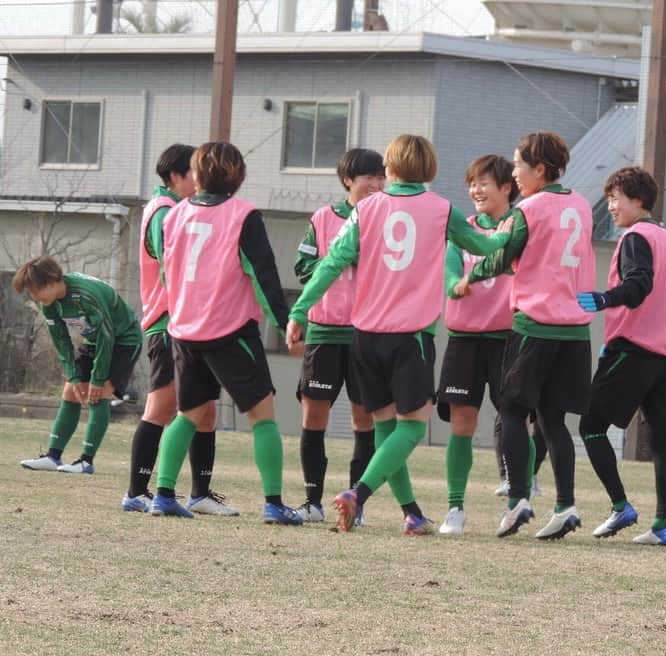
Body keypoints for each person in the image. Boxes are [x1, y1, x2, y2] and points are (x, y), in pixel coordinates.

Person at [286, 134, 512, 535]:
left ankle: (411, 513)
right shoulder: (441, 209)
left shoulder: (366, 209)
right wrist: (509, 232)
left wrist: (300, 310)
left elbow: (330, 263)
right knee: (411, 427)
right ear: (430, 169)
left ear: (389, 169)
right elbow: (483, 243)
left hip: (364, 337)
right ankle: (358, 494)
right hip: (410, 337)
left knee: (387, 428)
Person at [149, 140, 302, 524]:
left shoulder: (175, 214)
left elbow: (167, 271)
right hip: (229, 330)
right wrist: (287, 324)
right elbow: (263, 273)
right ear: (239, 175)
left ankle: (164, 494)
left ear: (197, 174)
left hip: (184, 330)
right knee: (263, 415)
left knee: (188, 413)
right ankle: (273, 503)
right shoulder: (243, 215)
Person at [461, 131, 595, 540]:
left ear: (540, 168)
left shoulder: (528, 209)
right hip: (574, 330)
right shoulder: (582, 205)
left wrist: (472, 275)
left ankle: (518, 499)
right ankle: (566, 505)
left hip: (535, 323)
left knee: (514, 412)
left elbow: (502, 257)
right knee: (554, 420)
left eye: (519, 165)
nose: (515, 172)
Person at [122, 144, 238, 516]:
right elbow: (170, 262)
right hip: (169, 320)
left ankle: (200, 493)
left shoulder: (173, 208)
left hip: (185, 321)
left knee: (204, 408)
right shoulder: (164, 211)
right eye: (192, 172)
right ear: (176, 175)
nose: (198, 180)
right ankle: (137, 491)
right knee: (163, 405)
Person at [577, 166, 666, 547]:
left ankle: (621, 505)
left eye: (615, 198)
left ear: (638, 200)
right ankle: (662, 525)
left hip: (635, 349)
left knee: (590, 426)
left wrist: (604, 298)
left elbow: (638, 286)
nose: (610, 206)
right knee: (661, 441)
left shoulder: (636, 237)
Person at [293, 149, 385, 524]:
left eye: (382, 178)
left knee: (365, 420)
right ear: (348, 180)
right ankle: (313, 502)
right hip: (325, 330)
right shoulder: (323, 218)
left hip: (366, 332)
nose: (376, 185)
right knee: (315, 415)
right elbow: (302, 268)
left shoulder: (386, 219)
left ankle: (355, 504)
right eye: (369, 177)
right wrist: (337, 257)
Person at [436, 154, 522, 536]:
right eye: (472, 183)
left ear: (507, 187)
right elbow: (450, 270)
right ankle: (455, 508)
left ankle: (520, 500)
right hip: (465, 339)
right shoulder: (462, 228)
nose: (475, 190)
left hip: (508, 338)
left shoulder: (518, 226)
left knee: (516, 419)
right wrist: (456, 282)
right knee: (461, 422)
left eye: (484, 182)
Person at [15, 256, 142, 474]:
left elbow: (106, 335)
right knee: (71, 391)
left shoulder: (85, 295)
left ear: (53, 281)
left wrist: (98, 378)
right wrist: (74, 376)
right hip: (94, 340)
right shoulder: (50, 305)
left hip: (123, 340)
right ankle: (53, 457)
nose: (34, 296)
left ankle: (86, 461)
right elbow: (61, 341)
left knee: (99, 392)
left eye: (36, 289)